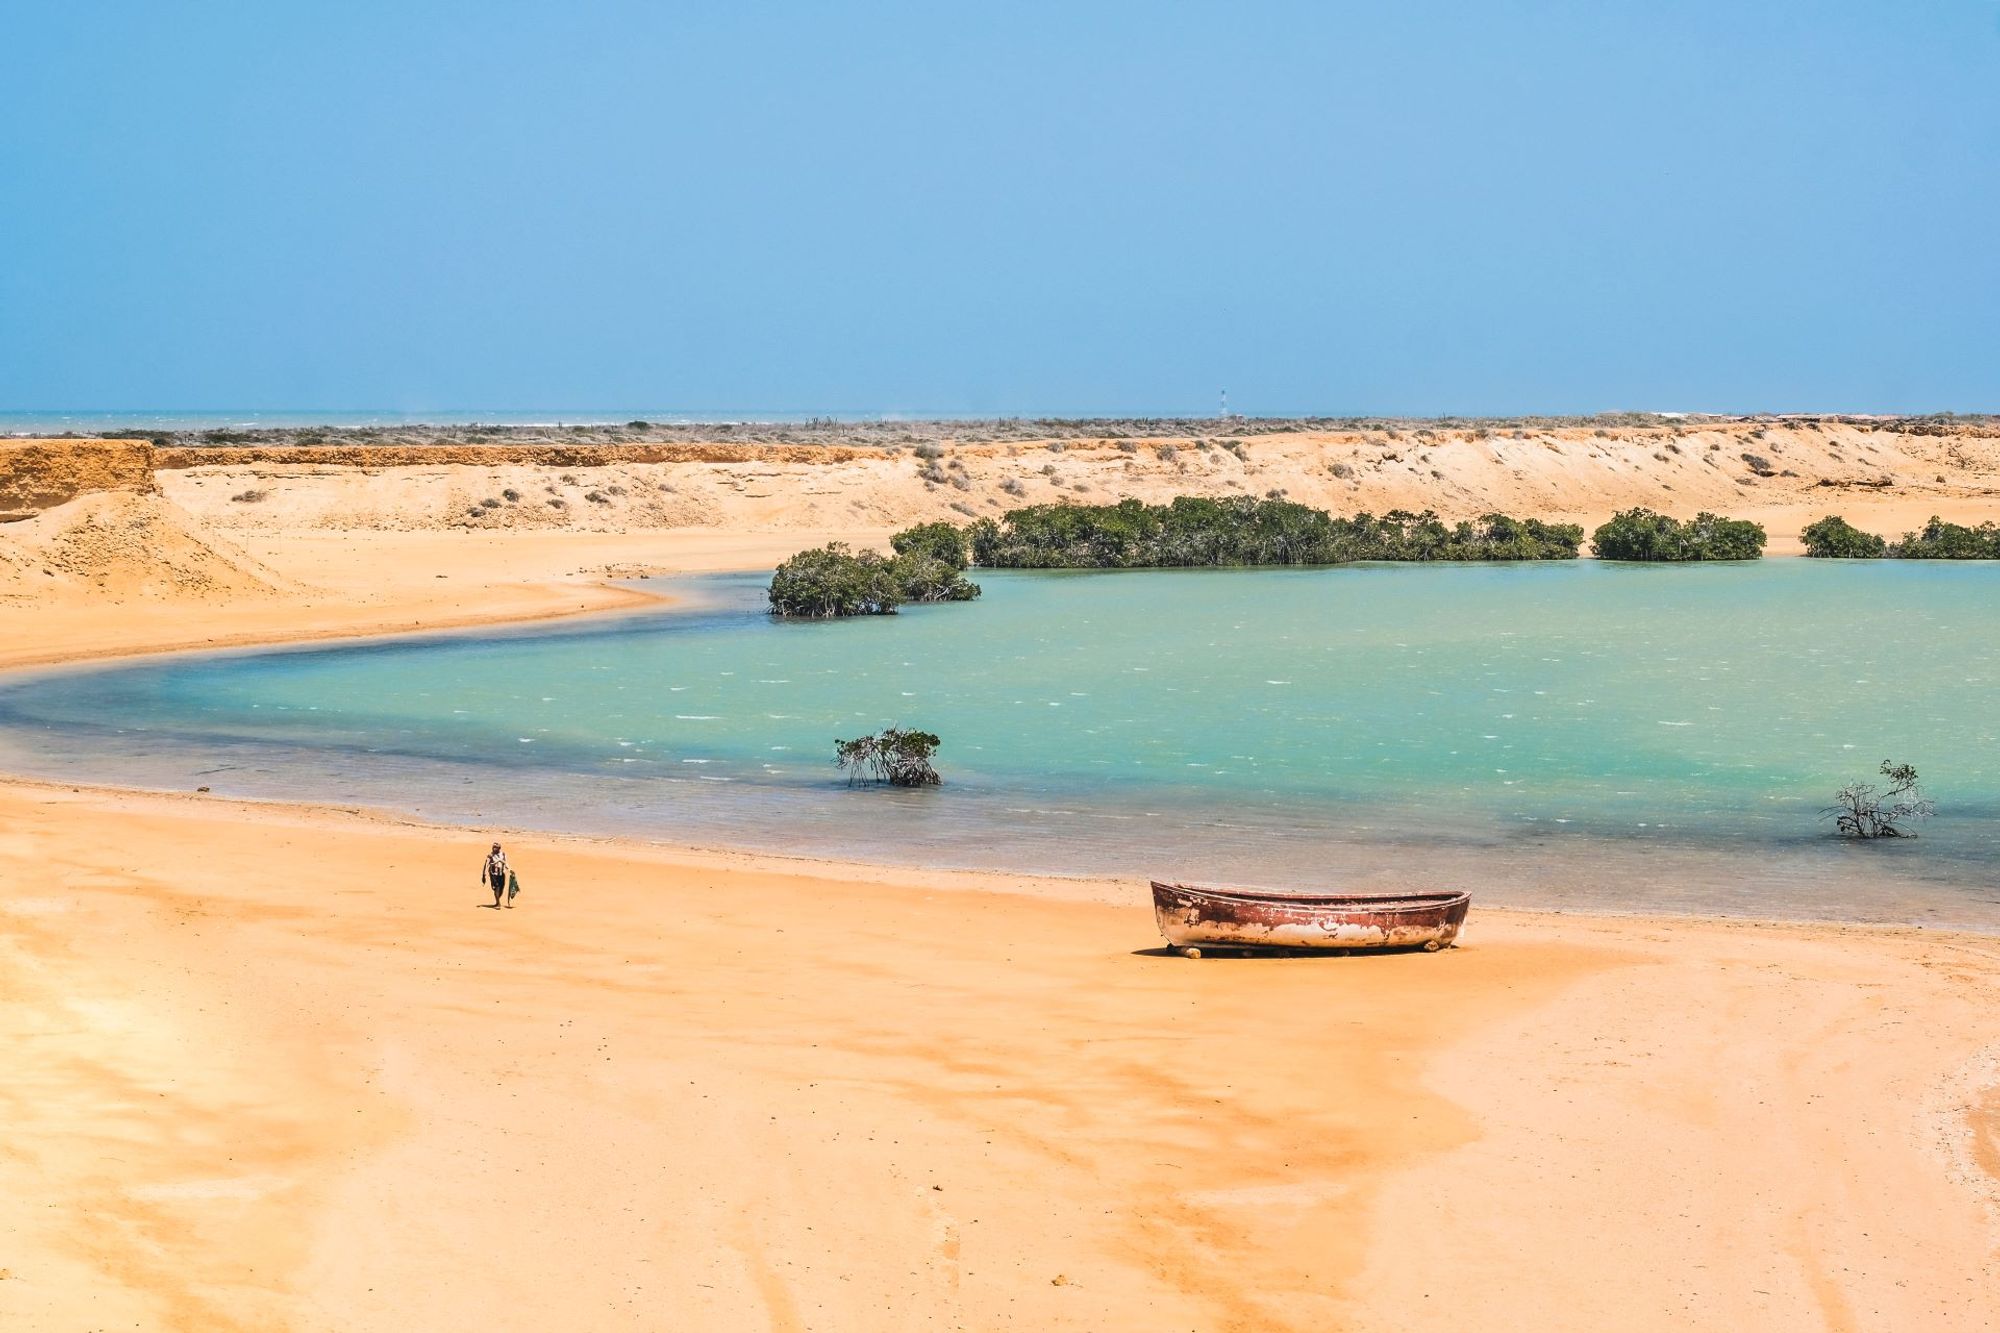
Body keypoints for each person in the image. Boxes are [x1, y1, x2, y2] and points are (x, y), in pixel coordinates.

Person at [481, 842, 509, 908]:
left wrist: (509, 869)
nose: (493, 849)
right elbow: (486, 864)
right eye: (493, 847)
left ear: (499, 848)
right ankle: (498, 903)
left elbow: (506, 863)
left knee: (501, 889)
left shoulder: (503, 854)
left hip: (502, 874)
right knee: (497, 887)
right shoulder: (490, 855)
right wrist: (484, 874)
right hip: (493, 874)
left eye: (495, 847)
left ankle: (497, 901)